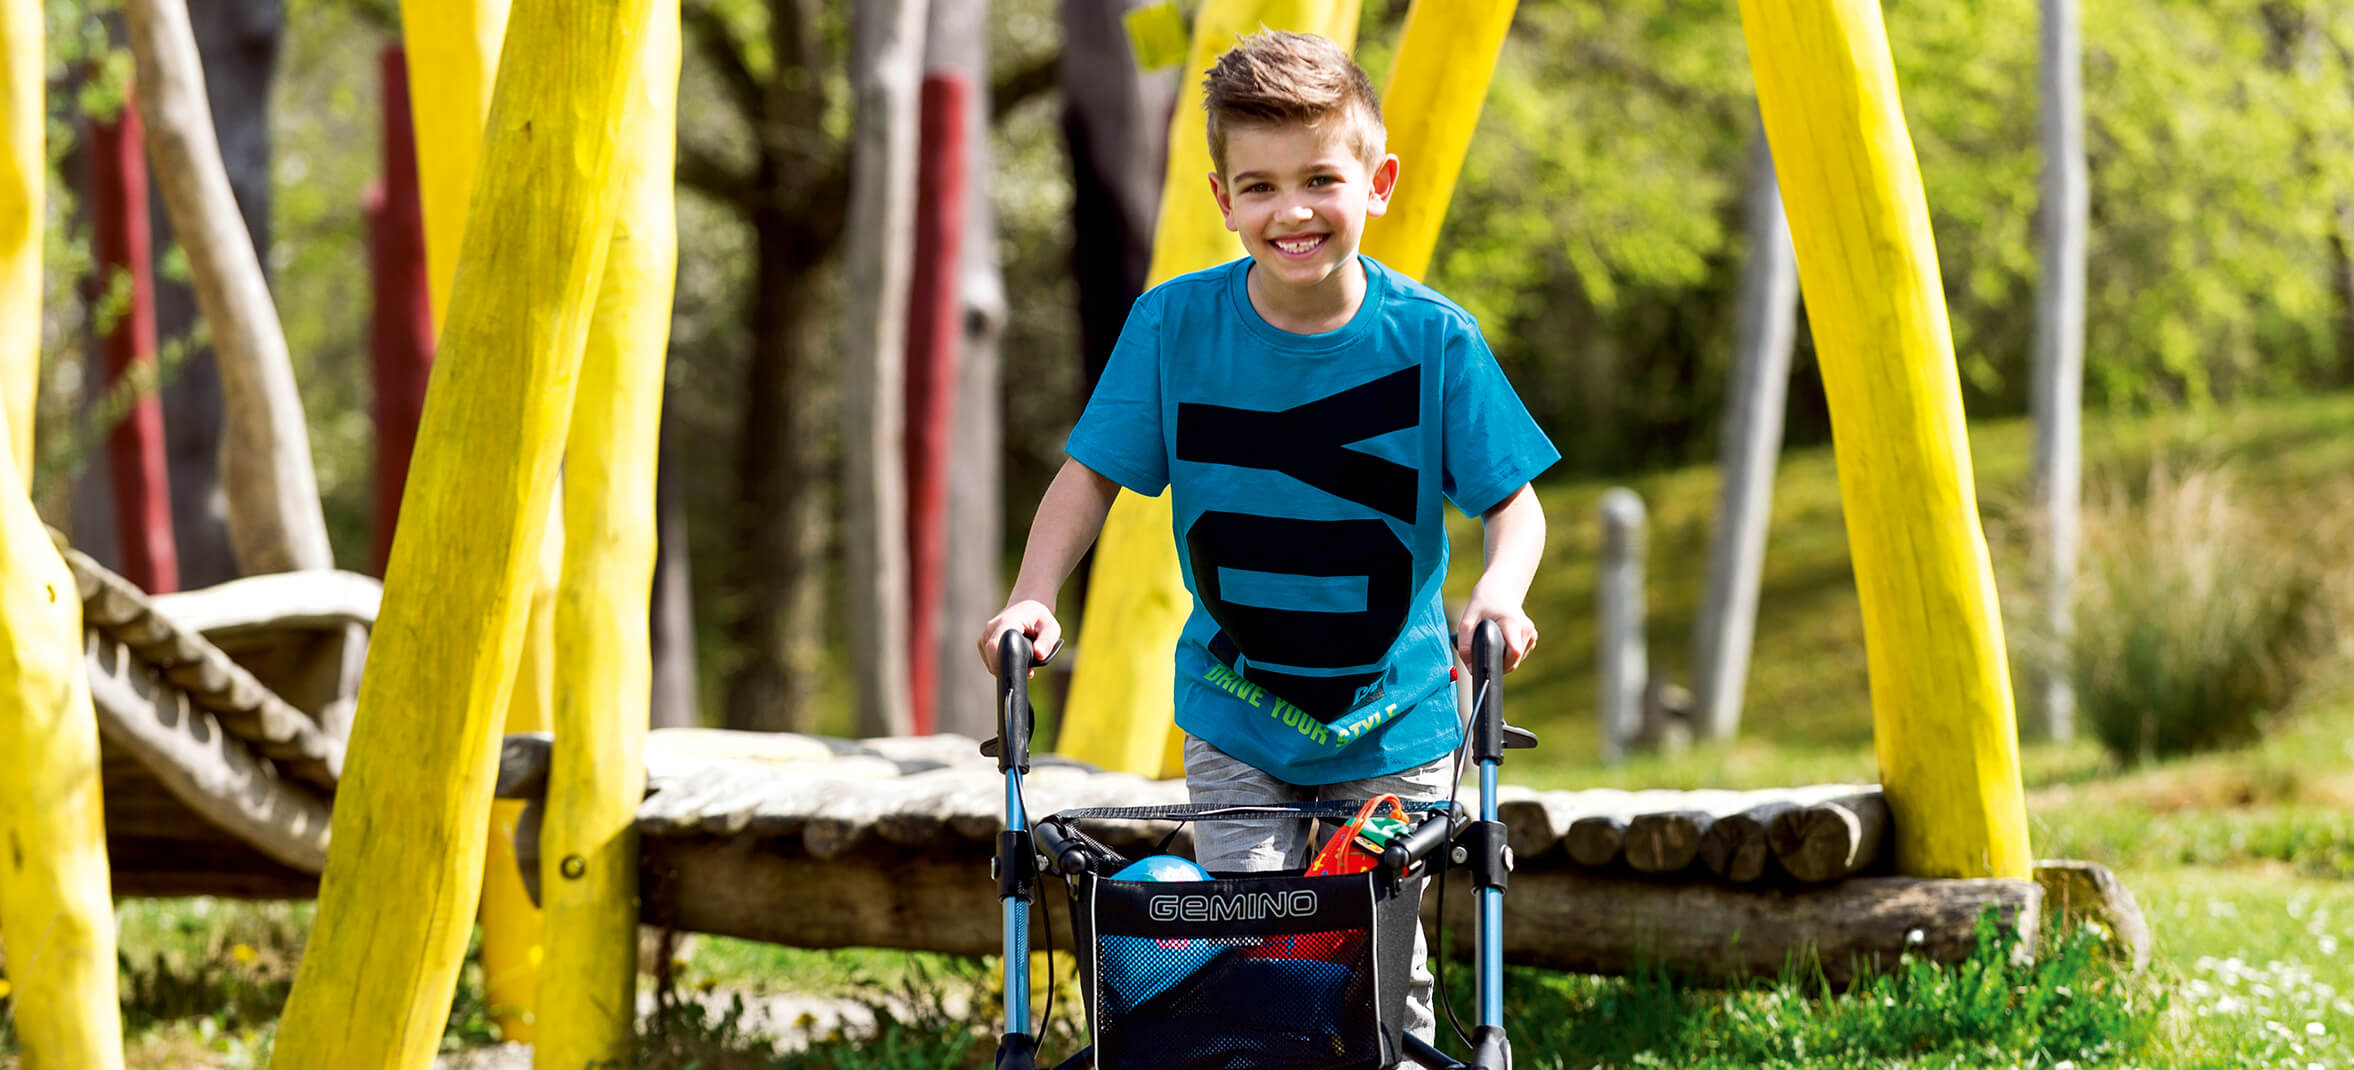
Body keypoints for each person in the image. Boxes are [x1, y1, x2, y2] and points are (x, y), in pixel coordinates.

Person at [976, 29, 1555, 1047]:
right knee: (1257, 954)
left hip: (1398, 716)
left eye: (1319, 179)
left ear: (1375, 182)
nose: (1290, 210)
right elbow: (1086, 479)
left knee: (1382, 975)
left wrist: (1501, 590)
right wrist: (1032, 593)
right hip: (1238, 708)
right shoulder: (1171, 327)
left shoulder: (1431, 340)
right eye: (1258, 185)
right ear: (1221, 197)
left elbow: (1514, 502)